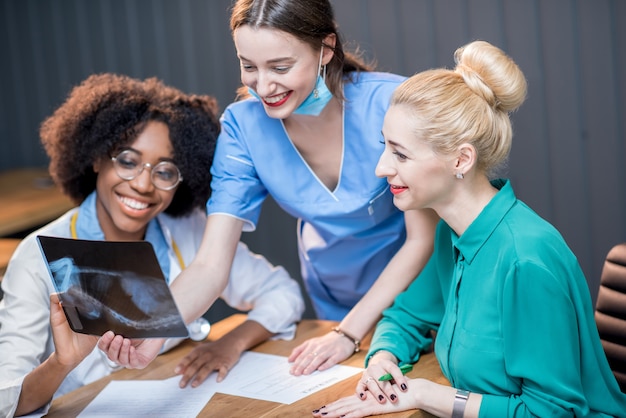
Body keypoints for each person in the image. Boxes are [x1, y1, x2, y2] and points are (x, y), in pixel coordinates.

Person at [98, 0, 439, 381]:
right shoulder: (243, 128)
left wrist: (348, 333)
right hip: (336, 292)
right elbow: (211, 265)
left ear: (325, 48)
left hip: (424, 285)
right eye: (249, 66)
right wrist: (153, 331)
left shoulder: (393, 102)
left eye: (280, 67)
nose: (263, 85)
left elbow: (420, 241)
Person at [312, 40, 626, 418]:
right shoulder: (452, 232)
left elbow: (550, 412)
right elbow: (406, 318)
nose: (381, 168)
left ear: (461, 159)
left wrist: (427, 395)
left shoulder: (525, 259)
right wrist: (382, 359)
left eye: (400, 153)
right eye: (385, 147)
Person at [0, 73, 304, 417]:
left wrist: (230, 344)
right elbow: (6, 400)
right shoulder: (37, 255)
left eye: (165, 171)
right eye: (127, 161)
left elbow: (283, 294)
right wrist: (62, 363)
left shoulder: (188, 231)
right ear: (97, 158)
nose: (144, 184)